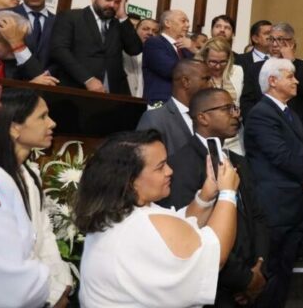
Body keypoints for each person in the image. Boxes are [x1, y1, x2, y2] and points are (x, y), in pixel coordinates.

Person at [76, 129, 240, 307]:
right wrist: (228, 193)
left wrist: (206, 195)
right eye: (160, 167)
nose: (169, 171)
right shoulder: (143, 224)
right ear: (131, 181)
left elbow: (180, 233)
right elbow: (215, 256)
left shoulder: (113, 214)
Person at [162, 88, 270, 306]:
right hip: (215, 287)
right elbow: (191, 233)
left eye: (235, 108)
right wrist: (244, 280)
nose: (236, 114)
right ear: (203, 117)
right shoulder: (180, 165)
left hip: (251, 271)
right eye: (227, 109)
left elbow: (257, 216)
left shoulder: (238, 160)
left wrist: (260, 265)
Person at [244, 58, 303, 308]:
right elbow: (280, 155)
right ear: (272, 81)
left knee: (284, 271)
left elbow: (299, 154)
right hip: (274, 207)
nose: (296, 81)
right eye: (290, 76)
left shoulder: (288, 112)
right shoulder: (261, 113)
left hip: (293, 204)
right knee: (269, 272)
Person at [0, 89, 73, 307]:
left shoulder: (29, 173)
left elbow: (44, 235)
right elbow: (5, 257)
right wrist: (50, 295)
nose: (52, 123)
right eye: (42, 116)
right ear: (14, 128)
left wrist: (61, 285)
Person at [50, 0, 142, 94]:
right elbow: (59, 51)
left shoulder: (119, 24)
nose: (112, 5)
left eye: (117, 2)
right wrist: (87, 79)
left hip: (115, 92)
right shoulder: (71, 17)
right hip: (77, 88)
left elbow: (135, 49)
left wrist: (123, 16)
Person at [240, 22, 303, 128]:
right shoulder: (255, 68)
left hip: (295, 127)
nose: (274, 44)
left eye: (280, 39)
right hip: (263, 124)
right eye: (271, 39)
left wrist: (291, 62)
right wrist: (254, 123)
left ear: (292, 43)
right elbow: (247, 101)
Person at [137, 59, 212, 156]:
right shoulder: (155, 119)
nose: (211, 85)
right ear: (185, 82)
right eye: (206, 79)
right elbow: (145, 160)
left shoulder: (208, 116)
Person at [198, 37, 245, 154]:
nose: (218, 66)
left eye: (223, 62)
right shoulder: (197, 75)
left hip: (234, 138)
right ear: (204, 58)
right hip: (208, 137)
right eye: (213, 62)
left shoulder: (237, 71)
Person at [0, 11, 59, 85]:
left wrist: (19, 45)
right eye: (10, 41)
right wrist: (28, 87)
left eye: (21, 40)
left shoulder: (15, 58)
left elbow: (44, 82)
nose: (17, 50)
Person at [142, 9, 195, 104]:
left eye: (188, 22)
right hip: (161, 102)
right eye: (183, 21)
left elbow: (199, 72)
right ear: (167, 23)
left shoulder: (186, 49)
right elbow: (170, 70)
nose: (188, 25)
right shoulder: (154, 43)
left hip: (184, 103)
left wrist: (193, 49)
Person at [8, 0, 57, 67]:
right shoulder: (5, 16)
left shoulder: (58, 22)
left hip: (49, 75)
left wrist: (49, 73)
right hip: (12, 75)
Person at [124, 18, 159, 98]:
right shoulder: (122, 50)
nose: (150, 33)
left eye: (155, 31)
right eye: (145, 29)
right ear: (136, 30)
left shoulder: (158, 57)